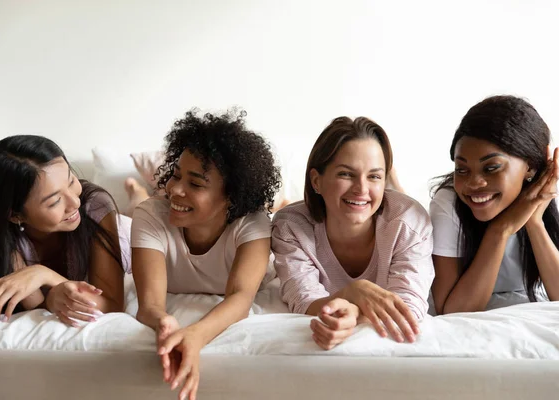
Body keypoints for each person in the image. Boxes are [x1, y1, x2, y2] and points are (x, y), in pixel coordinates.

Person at [131, 109, 281, 400]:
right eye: (175, 175)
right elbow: (148, 305)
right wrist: (164, 322)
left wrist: (196, 335)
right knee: (138, 206)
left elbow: (240, 298)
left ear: (231, 197)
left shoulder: (252, 222)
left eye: (195, 184)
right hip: (144, 215)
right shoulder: (151, 215)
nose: (175, 189)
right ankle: (135, 191)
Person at [272, 116, 434, 350]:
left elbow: (408, 307)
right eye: (346, 174)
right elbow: (304, 300)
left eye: (374, 176)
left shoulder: (409, 222)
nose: (361, 189)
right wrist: (353, 292)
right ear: (316, 181)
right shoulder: (291, 226)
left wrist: (354, 308)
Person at [0, 135, 130, 327]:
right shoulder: (4, 239)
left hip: (125, 230)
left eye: (71, 181)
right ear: (15, 216)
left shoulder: (94, 205)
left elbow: (112, 305)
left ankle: (135, 191)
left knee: (136, 211)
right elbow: (35, 308)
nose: (75, 202)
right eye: (55, 201)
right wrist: (49, 299)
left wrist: (43, 274)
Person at [430, 95, 559, 314]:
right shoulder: (448, 204)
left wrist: (534, 221)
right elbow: (451, 311)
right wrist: (501, 230)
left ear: (531, 166)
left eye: (491, 168)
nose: (473, 183)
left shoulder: (549, 193)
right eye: (462, 170)